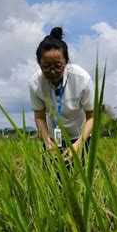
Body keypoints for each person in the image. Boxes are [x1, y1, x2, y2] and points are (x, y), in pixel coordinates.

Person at [29, 27, 94, 164]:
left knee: (81, 181)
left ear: (66, 62)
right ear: (39, 63)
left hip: (81, 137)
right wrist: (47, 141)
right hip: (53, 139)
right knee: (52, 181)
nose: (52, 71)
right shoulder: (35, 83)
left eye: (58, 66)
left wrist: (79, 144)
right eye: (46, 66)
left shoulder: (81, 78)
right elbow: (39, 117)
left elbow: (92, 117)